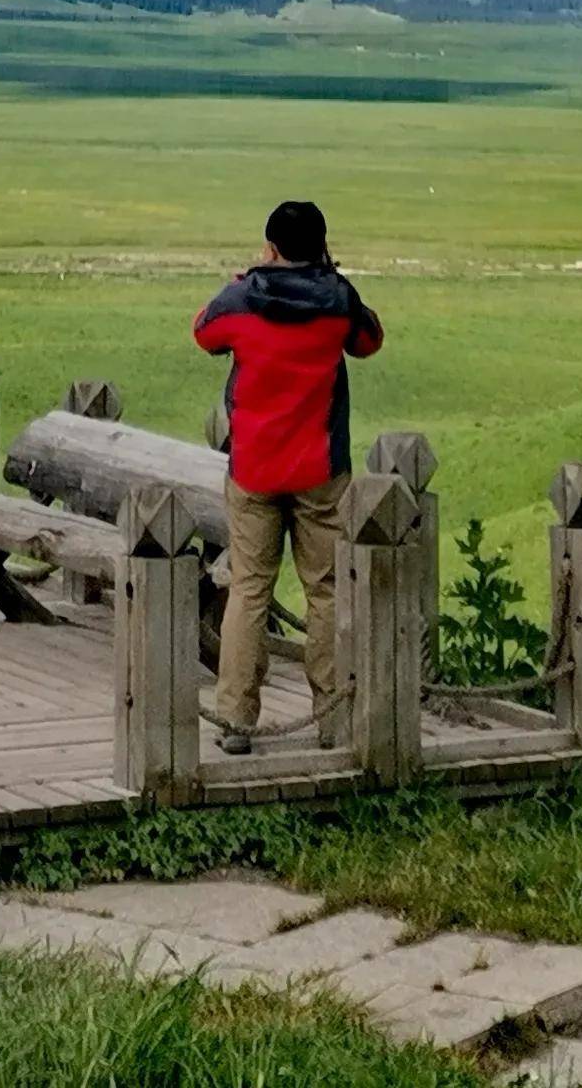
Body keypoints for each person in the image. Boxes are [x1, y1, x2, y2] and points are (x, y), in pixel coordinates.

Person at [191, 197, 382, 756]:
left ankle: (235, 722)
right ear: (321, 246)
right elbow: (370, 340)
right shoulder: (338, 299)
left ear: (270, 246)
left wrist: (243, 279)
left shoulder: (243, 297)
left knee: (249, 590)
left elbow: (203, 333)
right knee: (325, 592)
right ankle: (329, 721)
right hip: (321, 470)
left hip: (253, 468)